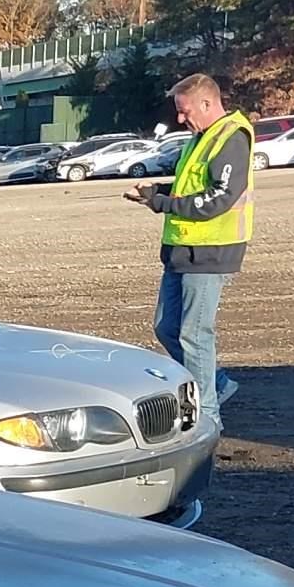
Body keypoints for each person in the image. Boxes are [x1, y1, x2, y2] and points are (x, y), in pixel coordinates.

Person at [126, 72, 253, 416]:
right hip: (182, 250)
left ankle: (208, 414)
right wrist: (157, 193)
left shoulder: (231, 138)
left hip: (211, 251)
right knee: (166, 327)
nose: (180, 119)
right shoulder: (199, 138)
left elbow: (218, 199)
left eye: (184, 111)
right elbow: (190, 188)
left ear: (207, 103)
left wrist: (163, 204)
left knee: (195, 336)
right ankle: (217, 383)